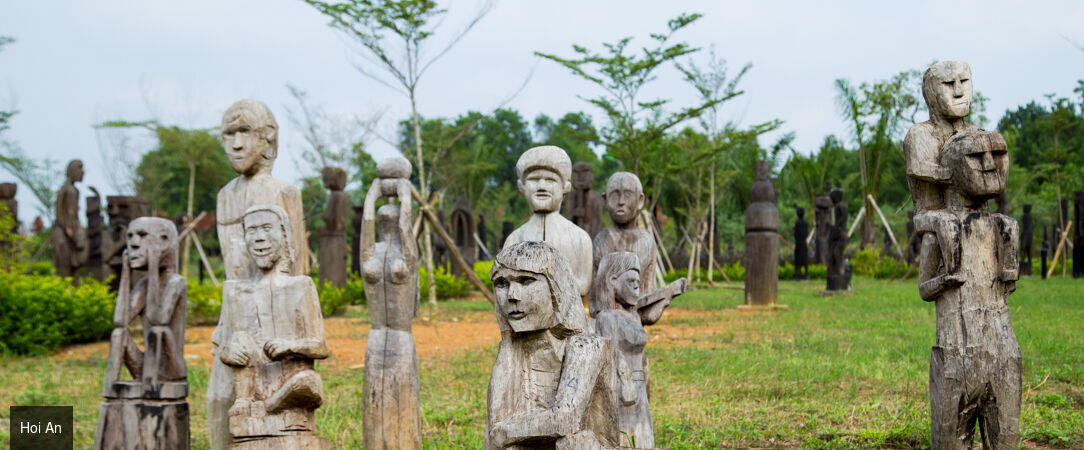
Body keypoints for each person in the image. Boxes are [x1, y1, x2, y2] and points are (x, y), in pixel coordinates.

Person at [209, 99, 309, 450]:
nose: (236, 144)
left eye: (245, 132)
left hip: (273, 324)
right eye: (228, 134)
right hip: (233, 319)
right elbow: (231, 271)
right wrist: (226, 331)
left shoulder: (282, 192)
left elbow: (297, 271)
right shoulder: (225, 196)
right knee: (219, 400)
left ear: (268, 139)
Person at [486, 241, 619, 449]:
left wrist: (506, 432)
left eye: (526, 280)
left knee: (575, 441)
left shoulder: (587, 347)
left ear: (556, 288)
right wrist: (507, 346)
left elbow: (566, 419)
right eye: (502, 284)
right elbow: (494, 427)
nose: (512, 296)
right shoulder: (512, 351)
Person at [220, 205, 328, 444]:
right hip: (249, 388)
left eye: (267, 229)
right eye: (252, 230)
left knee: (308, 382)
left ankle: (269, 406)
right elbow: (222, 344)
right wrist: (228, 351)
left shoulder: (301, 286)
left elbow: (321, 347)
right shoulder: (235, 291)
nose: (259, 237)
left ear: (285, 235)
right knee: (239, 338)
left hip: (290, 387)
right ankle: (246, 402)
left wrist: (289, 346)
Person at [593, 252, 685, 449]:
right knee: (624, 436)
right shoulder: (607, 318)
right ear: (613, 280)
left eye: (638, 281)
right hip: (621, 387)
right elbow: (612, 354)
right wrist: (625, 382)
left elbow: (646, 330)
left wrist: (667, 297)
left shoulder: (633, 317)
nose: (637, 286)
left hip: (640, 385)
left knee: (644, 434)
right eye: (631, 281)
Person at [503, 146, 593, 299]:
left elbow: (583, 286)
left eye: (550, 180)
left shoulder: (580, 238)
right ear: (521, 187)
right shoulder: (514, 239)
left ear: (565, 187)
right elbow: (504, 284)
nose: (542, 187)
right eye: (534, 179)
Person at [592, 172, 657, 317]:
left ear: (640, 200)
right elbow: (595, 299)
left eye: (627, 195)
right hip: (606, 321)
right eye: (615, 195)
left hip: (636, 324)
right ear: (605, 200)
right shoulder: (602, 240)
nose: (621, 201)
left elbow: (648, 292)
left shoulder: (647, 242)